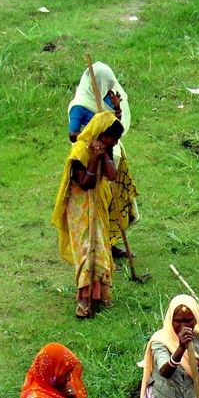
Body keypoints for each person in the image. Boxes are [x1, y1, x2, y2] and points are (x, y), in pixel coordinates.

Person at [51, 110, 124, 318]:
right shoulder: (79, 152)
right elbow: (86, 183)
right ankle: (84, 301)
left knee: (100, 248)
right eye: (114, 138)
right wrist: (93, 158)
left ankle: (99, 295)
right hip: (80, 210)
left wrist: (104, 156)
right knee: (86, 252)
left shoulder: (106, 148)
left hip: (97, 208)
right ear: (102, 134)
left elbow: (111, 175)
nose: (116, 143)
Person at [68, 62, 139, 260]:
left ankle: (111, 243)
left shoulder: (105, 98)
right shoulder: (80, 106)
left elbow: (114, 124)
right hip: (90, 161)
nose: (108, 90)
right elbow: (73, 134)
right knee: (94, 206)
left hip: (109, 156)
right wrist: (93, 141)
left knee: (110, 202)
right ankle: (95, 252)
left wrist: (116, 108)